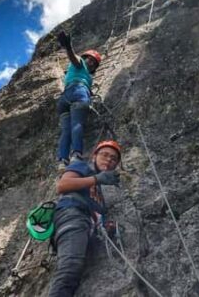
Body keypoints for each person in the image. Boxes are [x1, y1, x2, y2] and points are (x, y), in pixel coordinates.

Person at [48, 140, 121, 297]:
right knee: (69, 268)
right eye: (105, 155)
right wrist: (96, 179)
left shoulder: (99, 193)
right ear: (94, 156)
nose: (109, 160)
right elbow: (62, 185)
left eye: (113, 159)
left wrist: (105, 226)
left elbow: (96, 214)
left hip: (85, 225)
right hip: (72, 214)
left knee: (73, 271)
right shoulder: (83, 166)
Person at [56, 31, 102, 171]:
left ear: (94, 68)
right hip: (78, 93)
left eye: (93, 62)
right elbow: (74, 59)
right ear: (84, 58)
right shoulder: (80, 63)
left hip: (65, 98)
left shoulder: (85, 74)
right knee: (76, 125)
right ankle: (76, 154)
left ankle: (62, 161)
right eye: (89, 59)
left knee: (66, 130)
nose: (90, 62)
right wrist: (68, 47)